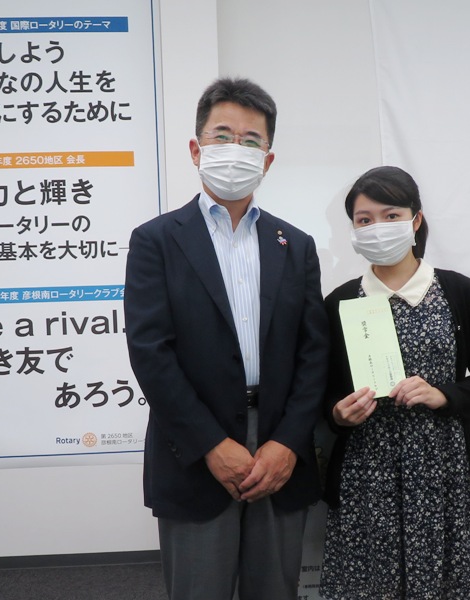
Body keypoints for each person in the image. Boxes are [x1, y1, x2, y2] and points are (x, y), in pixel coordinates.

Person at [124, 77, 329, 600]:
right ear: (196, 149)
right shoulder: (155, 241)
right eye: (222, 136)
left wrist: (288, 443)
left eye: (250, 140)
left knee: (275, 590)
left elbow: (314, 354)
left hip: (279, 448)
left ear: (268, 159)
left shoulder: (296, 245)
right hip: (195, 448)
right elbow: (150, 353)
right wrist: (211, 445)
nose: (235, 149)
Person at [319, 166, 470, 599]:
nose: (377, 227)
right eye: (364, 219)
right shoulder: (340, 302)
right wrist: (337, 413)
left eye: (391, 216)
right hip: (367, 470)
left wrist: (445, 394)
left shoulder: (458, 292)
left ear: (415, 220)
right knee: (369, 581)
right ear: (353, 229)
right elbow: (321, 389)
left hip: (443, 466)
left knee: (447, 582)